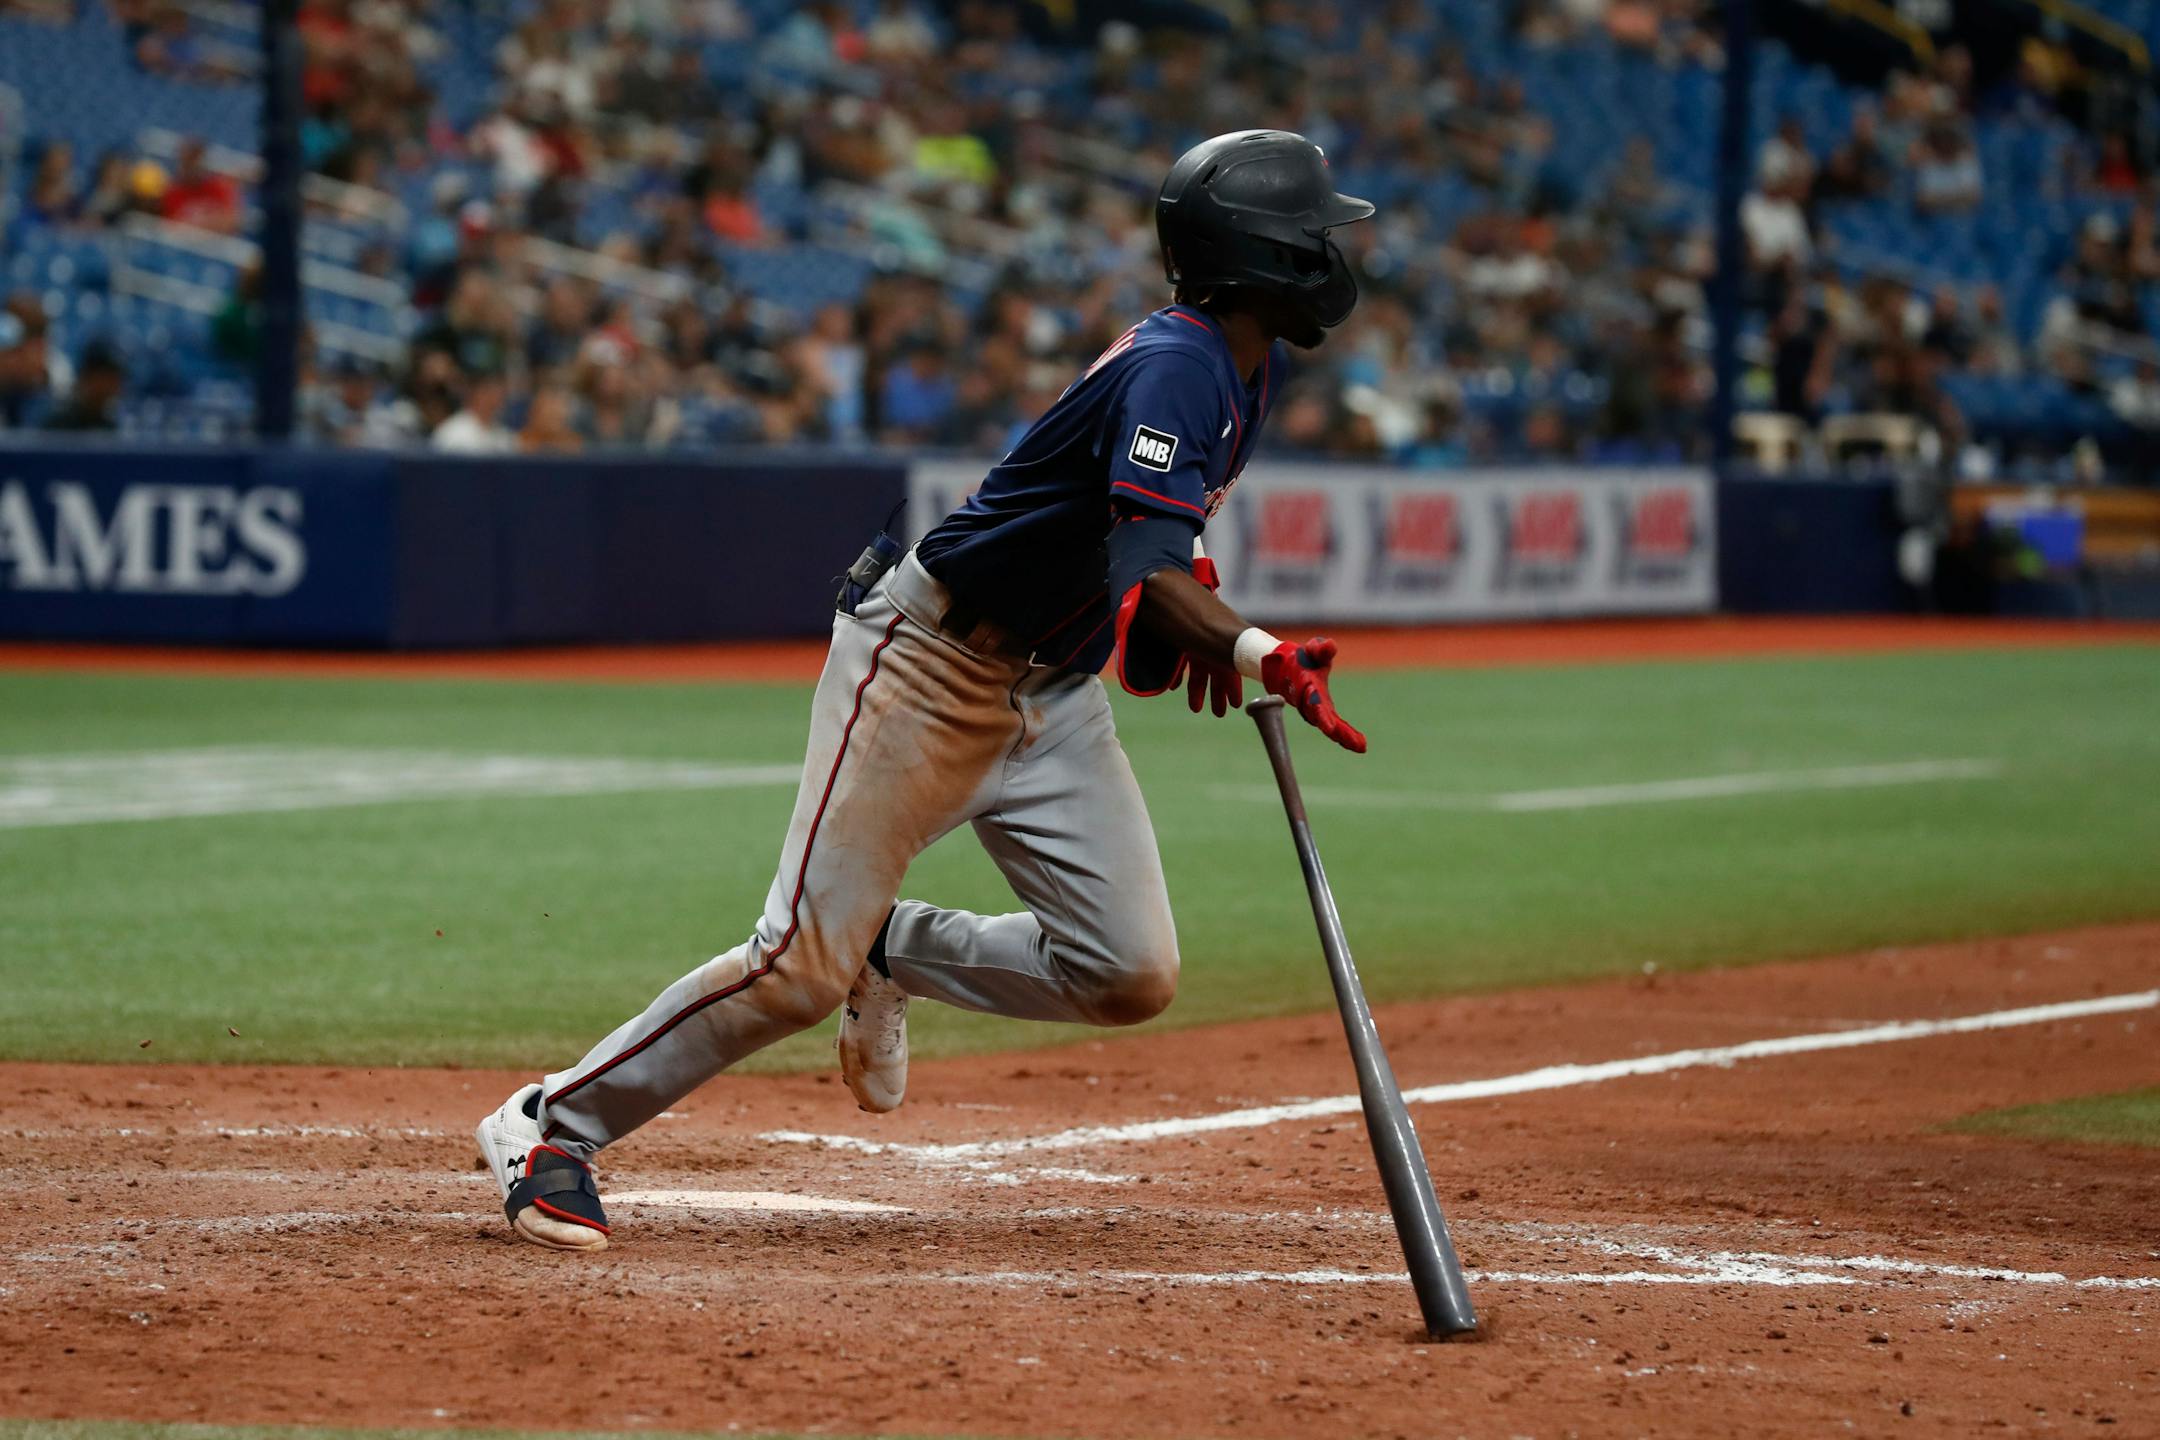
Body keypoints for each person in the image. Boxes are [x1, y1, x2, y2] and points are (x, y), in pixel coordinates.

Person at [474, 129, 1376, 1251]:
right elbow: (1147, 560)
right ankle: (551, 1125)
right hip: (928, 669)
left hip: (1052, 697)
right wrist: (1253, 650)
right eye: (1322, 231)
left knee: (1128, 971)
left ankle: (889, 946)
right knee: (796, 971)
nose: (1342, 249)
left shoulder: (1246, 365)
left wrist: (1189, 617)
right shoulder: (1180, 364)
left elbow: (1148, 547)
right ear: (1269, 255)